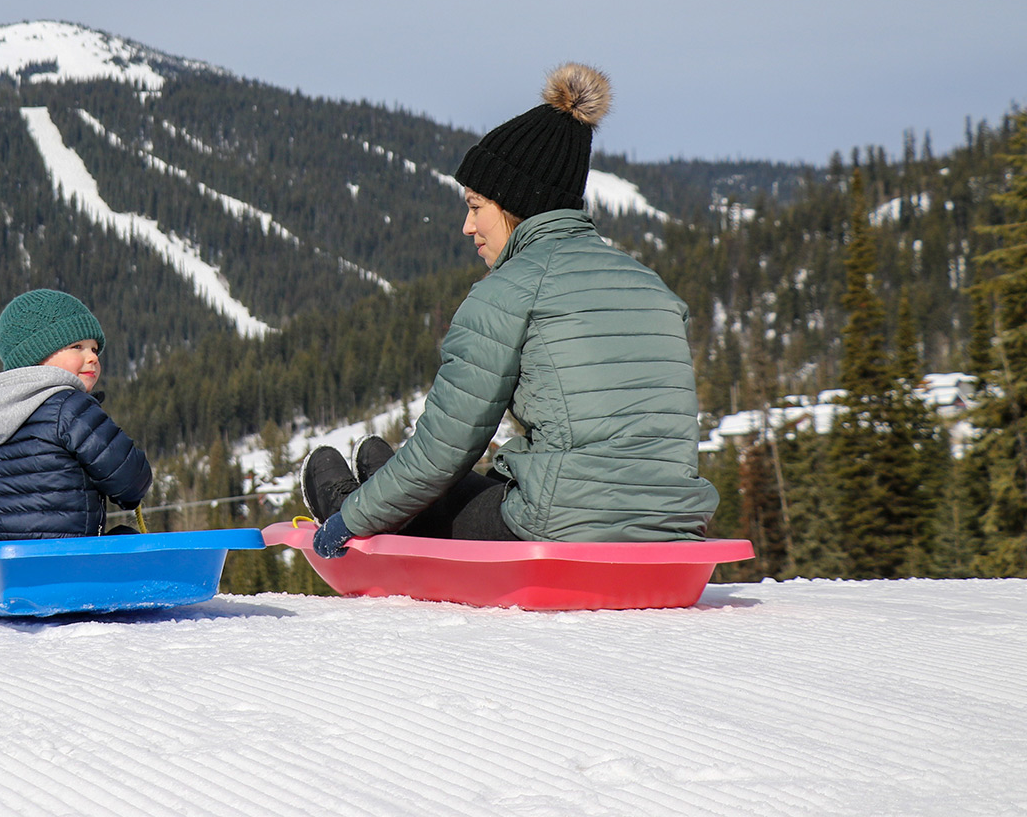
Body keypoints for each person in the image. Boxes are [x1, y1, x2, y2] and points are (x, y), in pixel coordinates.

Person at [304, 63, 719, 557]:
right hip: (674, 525)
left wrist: (348, 522)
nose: (467, 225)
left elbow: (442, 451)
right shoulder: (652, 286)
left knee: (415, 490)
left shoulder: (507, 292)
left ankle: (353, 502)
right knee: (399, 468)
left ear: (513, 203)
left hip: (562, 529)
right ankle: (380, 483)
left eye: (476, 205)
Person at [0, 288, 153, 541]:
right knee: (129, 540)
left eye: (94, 349)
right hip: (65, 559)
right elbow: (129, 479)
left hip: (7, 560)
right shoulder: (69, 407)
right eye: (77, 346)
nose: (92, 357)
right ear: (37, 355)